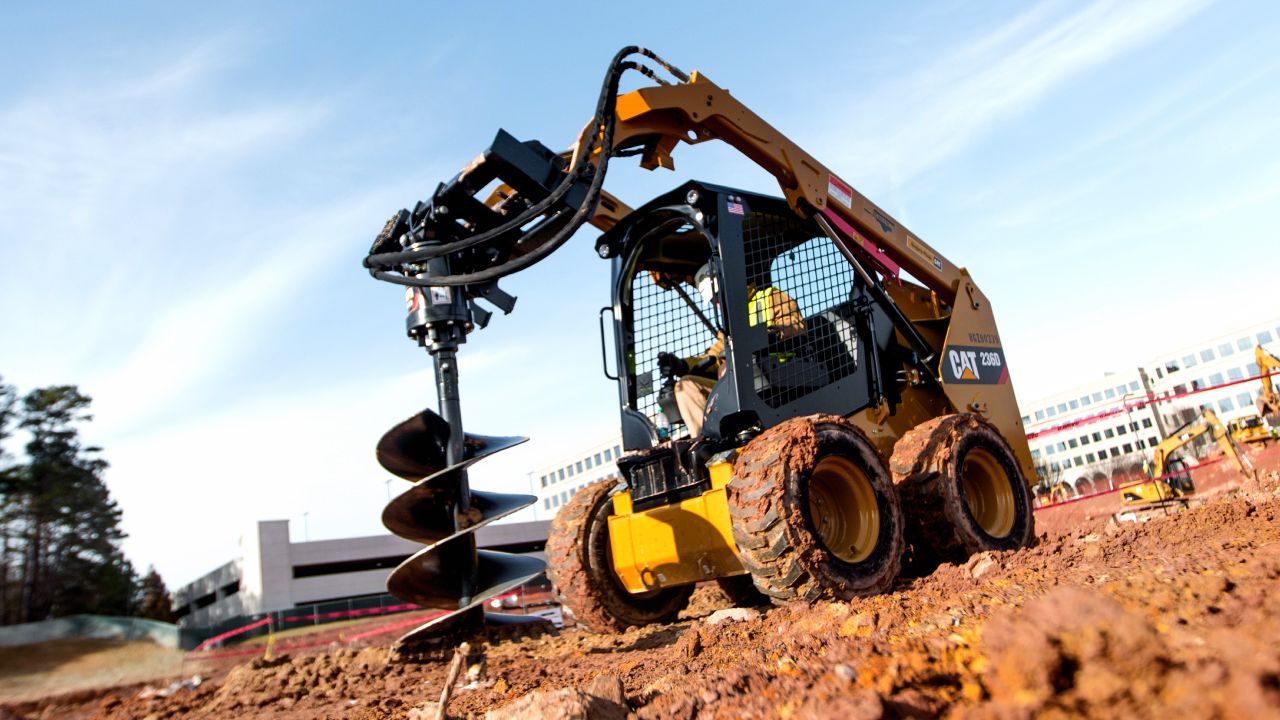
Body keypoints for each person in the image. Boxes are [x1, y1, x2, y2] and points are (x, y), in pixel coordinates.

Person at [658, 262, 805, 436]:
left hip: (779, 372)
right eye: (713, 301)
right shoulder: (729, 324)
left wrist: (768, 335)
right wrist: (681, 365)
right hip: (742, 381)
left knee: (728, 369)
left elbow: (796, 325)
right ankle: (707, 442)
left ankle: (745, 426)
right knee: (686, 386)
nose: (717, 304)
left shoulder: (769, 297)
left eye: (717, 297)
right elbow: (715, 355)